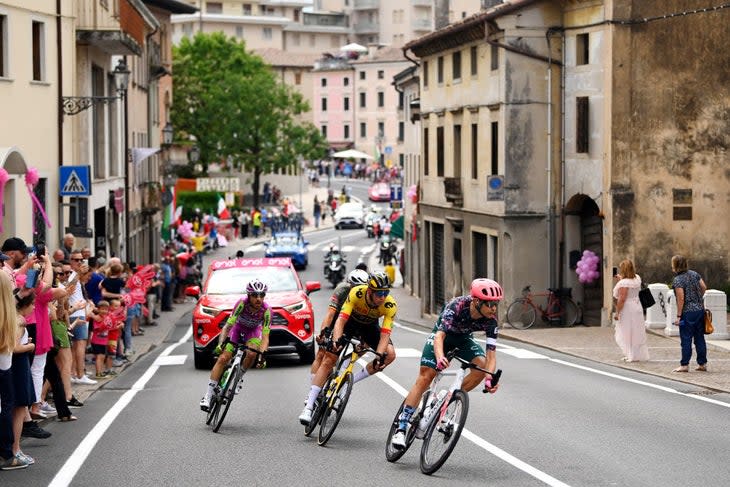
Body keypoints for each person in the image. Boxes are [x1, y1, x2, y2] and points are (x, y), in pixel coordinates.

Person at [391, 278, 502, 449]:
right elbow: (439, 336)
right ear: (477, 301)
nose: (493, 309)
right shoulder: (457, 305)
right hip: (442, 337)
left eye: (496, 304)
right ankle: (402, 426)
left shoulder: (491, 321)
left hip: (463, 339)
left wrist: (489, 379)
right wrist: (441, 356)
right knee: (426, 376)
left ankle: (448, 397)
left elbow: (491, 356)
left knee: (481, 366)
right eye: (490, 304)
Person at [299, 271, 397, 425]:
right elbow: (340, 320)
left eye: (386, 292)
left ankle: (348, 382)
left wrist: (379, 355)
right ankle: (309, 406)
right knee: (329, 358)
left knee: (390, 354)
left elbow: (385, 335)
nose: (383, 297)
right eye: (379, 293)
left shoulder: (390, 305)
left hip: (369, 327)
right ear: (369, 291)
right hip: (350, 322)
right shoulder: (356, 293)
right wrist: (337, 340)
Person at [199, 279, 270, 411]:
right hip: (237, 330)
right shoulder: (242, 303)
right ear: (249, 295)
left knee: (252, 353)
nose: (258, 299)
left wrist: (262, 356)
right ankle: (208, 396)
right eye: (255, 295)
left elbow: (265, 336)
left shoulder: (266, 310)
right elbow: (228, 325)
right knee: (223, 358)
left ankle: (239, 378)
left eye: (262, 295)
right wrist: (221, 344)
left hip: (253, 333)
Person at [308, 268, 370, 382]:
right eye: (355, 287)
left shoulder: (368, 295)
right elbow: (330, 314)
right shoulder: (341, 290)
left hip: (354, 323)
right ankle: (313, 389)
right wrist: (323, 334)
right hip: (337, 320)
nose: (359, 290)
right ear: (349, 285)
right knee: (321, 353)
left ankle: (346, 362)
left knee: (367, 343)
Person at [671, 255, 708, 373]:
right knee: (699, 338)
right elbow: (703, 287)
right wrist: (698, 299)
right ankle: (702, 363)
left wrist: (678, 315)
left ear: (675, 265)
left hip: (687, 312)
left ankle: (684, 365)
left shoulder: (678, 279)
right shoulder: (694, 274)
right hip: (699, 310)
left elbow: (680, 298)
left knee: (686, 338)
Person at [612, 259, 649, 362]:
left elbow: (622, 299)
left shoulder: (624, 283)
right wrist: (621, 279)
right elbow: (630, 284)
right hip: (637, 306)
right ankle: (635, 354)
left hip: (627, 308)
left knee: (626, 332)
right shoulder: (637, 278)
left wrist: (617, 312)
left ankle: (630, 355)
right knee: (636, 331)